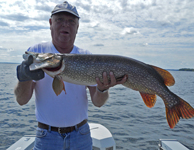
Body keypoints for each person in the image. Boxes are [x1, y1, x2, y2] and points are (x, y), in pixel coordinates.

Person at [14, 1, 127, 150]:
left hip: (80, 135)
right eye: (59, 19)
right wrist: (24, 78)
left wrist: (102, 89)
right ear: (50, 23)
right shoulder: (38, 51)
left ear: (77, 27)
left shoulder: (86, 56)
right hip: (46, 136)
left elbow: (98, 103)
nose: (65, 25)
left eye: (71, 21)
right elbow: (22, 100)